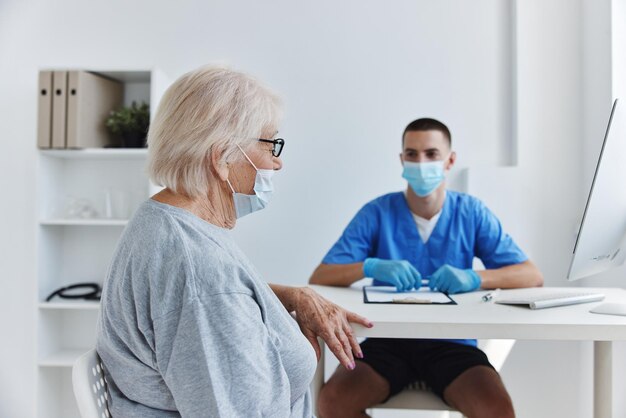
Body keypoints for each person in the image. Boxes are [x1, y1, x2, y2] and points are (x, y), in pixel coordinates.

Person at [96, 65, 372, 418]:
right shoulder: (198, 269)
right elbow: (210, 296)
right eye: (271, 143)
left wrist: (293, 295)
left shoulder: (166, 222)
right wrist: (305, 353)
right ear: (222, 157)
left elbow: (220, 296)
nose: (278, 161)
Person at [309, 118, 543, 418]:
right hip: (388, 342)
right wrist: (369, 266)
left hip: (452, 344)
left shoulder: (471, 213)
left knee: (496, 408)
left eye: (431, 154)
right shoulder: (378, 212)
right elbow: (321, 276)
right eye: (412, 154)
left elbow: (530, 275)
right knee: (333, 401)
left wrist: (475, 277)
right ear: (401, 159)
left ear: (450, 160)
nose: (421, 162)